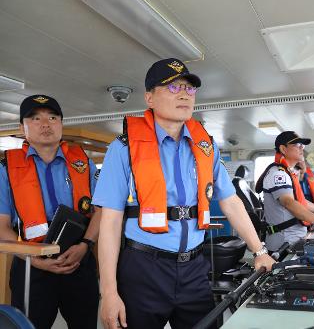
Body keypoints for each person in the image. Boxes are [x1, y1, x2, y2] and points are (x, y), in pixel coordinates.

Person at [93, 58, 275, 329]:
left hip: (194, 269)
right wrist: (108, 292)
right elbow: (109, 222)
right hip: (144, 268)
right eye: (172, 87)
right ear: (149, 97)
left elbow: (230, 201)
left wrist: (259, 250)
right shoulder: (124, 148)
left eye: (189, 89)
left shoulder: (206, 147)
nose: (183, 94)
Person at [0, 95, 101, 329]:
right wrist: (34, 260)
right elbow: (2, 225)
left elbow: (100, 212)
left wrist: (86, 245)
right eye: (35, 118)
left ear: (61, 124)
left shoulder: (84, 164)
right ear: (21, 127)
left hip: (79, 260)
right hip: (30, 267)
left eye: (52, 117)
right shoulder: (6, 169)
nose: (45, 124)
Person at [255, 131, 314, 251]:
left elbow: (301, 201)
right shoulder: (278, 174)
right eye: (297, 145)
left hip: (295, 238)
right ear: (283, 149)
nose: (302, 148)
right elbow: (288, 202)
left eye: (302, 145)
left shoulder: (288, 173)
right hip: (284, 244)